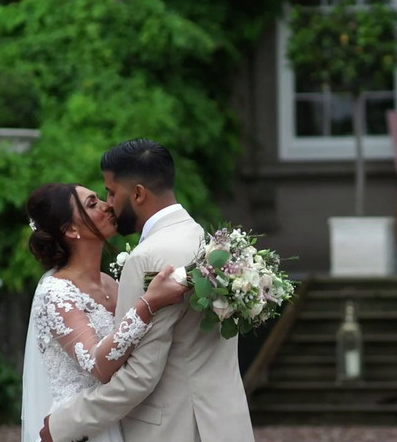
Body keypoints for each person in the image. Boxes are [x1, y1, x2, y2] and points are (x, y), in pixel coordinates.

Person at [40, 139, 255, 442]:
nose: (108, 204)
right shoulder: (205, 239)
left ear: (138, 193)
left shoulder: (148, 258)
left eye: (112, 193)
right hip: (224, 422)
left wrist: (65, 424)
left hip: (178, 429)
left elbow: (140, 376)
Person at [21, 183, 189, 442]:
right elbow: (98, 365)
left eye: (100, 198)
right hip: (80, 427)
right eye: (92, 204)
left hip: (119, 418)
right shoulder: (55, 292)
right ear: (71, 230)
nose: (107, 205)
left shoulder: (111, 283)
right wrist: (149, 304)